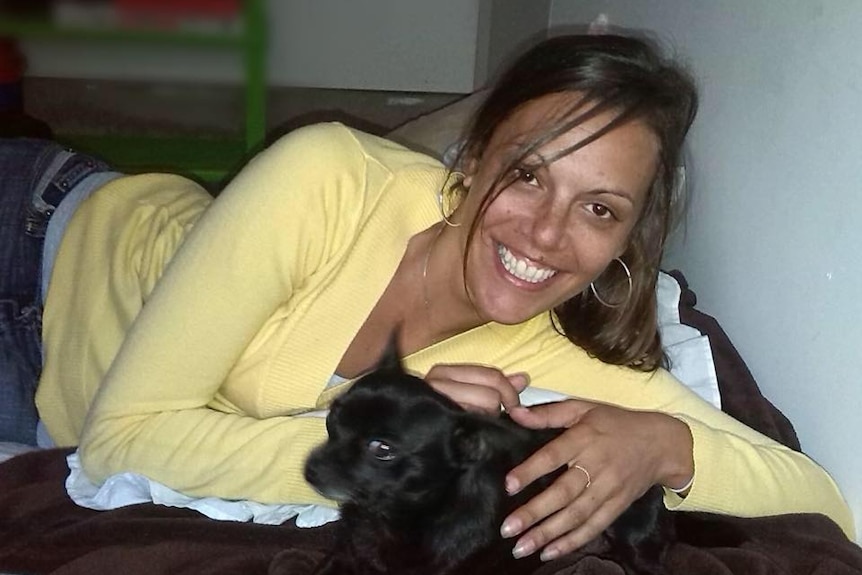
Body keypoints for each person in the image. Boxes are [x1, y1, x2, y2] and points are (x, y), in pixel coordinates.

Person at [0, 33, 854, 563]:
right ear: (474, 158)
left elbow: (821, 503)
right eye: (527, 175)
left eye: (599, 210)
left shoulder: (545, 352)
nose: (547, 236)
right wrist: (390, 447)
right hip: (40, 241)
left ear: (626, 240)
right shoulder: (328, 175)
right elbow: (123, 441)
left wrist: (667, 446)